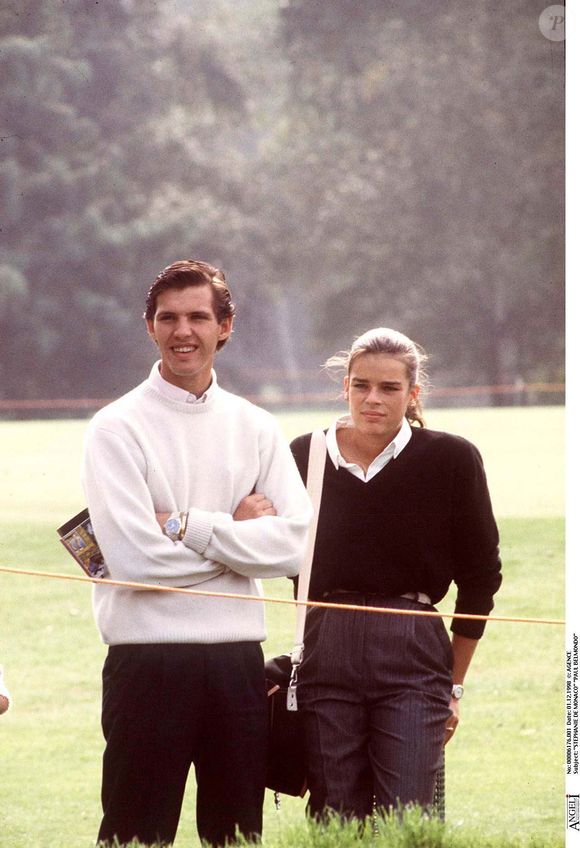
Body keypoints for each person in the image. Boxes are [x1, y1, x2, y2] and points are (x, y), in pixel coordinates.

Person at [82, 259, 311, 847]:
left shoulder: (257, 425)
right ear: (150, 327)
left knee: (236, 838)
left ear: (225, 326)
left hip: (237, 662)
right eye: (169, 318)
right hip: (146, 662)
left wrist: (191, 527)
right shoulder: (115, 428)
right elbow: (135, 562)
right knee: (136, 836)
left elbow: (294, 544)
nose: (183, 331)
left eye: (198, 317)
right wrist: (238, 537)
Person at [290, 327, 502, 821]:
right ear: (344, 386)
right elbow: (278, 551)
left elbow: (481, 578)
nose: (373, 399)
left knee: (409, 812)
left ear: (413, 394)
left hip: (414, 649)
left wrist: (455, 686)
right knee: (334, 812)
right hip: (327, 645)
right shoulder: (306, 454)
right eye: (361, 385)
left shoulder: (452, 458)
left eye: (389, 388)